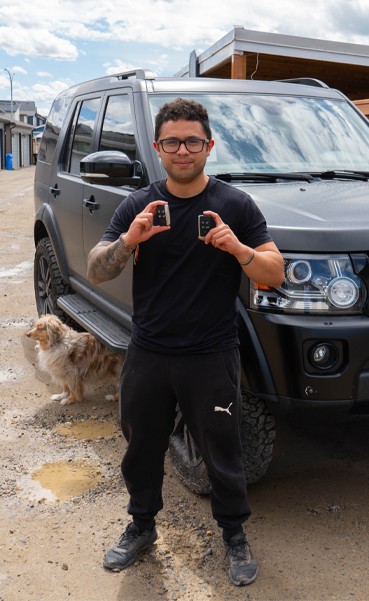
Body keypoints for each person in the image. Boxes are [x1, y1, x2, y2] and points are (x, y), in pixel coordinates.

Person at [87, 97, 284, 586]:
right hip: (149, 352)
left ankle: (234, 535)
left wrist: (237, 247)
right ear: (158, 147)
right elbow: (96, 267)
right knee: (141, 446)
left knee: (222, 448)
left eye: (192, 141)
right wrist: (129, 241)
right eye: (172, 141)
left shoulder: (235, 204)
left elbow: (273, 273)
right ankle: (141, 525)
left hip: (211, 354)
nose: (182, 150)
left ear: (209, 146)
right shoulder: (139, 204)